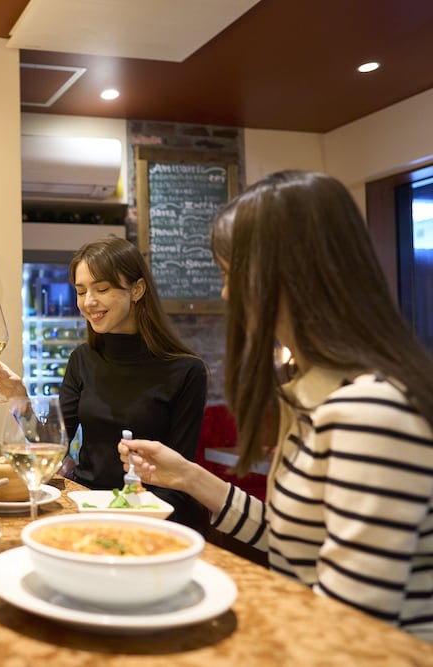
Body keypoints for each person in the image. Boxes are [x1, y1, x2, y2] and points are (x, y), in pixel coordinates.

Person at [119, 170, 433, 642]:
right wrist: (186, 476)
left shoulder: (369, 411)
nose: (225, 294)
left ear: (285, 276)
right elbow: (293, 538)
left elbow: (349, 628)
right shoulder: (313, 394)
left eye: (229, 275)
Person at [0, 237, 209, 531]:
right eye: (81, 291)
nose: (88, 302)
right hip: (86, 505)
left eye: (102, 289)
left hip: (150, 517)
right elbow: (53, 447)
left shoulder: (187, 371)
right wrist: (18, 397)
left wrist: (132, 523)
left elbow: (178, 480)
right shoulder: (82, 359)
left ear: (137, 289)